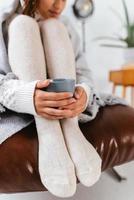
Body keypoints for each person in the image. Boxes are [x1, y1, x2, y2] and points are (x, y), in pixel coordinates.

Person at [0, 0, 127, 198]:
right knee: (22, 24)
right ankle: (49, 132)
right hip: (21, 107)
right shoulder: (4, 20)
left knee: (55, 27)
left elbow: (84, 73)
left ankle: (70, 128)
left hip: (68, 111)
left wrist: (83, 94)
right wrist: (27, 96)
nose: (60, 4)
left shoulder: (64, 25)